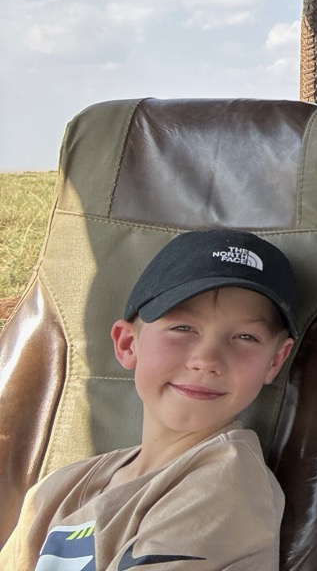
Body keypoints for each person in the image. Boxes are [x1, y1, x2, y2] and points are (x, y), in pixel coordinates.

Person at [0, 229, 298, 571]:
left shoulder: (224, 491)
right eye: (183, 328)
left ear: (275, 361)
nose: (207, 359)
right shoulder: (58, 488)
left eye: (246, 337)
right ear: (128, 344)